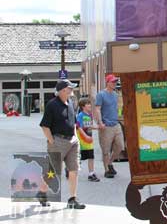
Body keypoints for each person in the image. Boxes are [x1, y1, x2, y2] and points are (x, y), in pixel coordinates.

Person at [38, 80, 86, 209]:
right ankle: (42, 192)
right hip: (58, 141)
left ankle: (72, 199)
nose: (72, 91)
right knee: (53, 173)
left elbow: (74, 123)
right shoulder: (52, 105)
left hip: (72, 141)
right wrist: (52, 142)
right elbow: (45, 126)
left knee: (74, 169)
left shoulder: (70, 103)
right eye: (70, 88)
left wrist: (76, 137)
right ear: (63, 90)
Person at [95, 74, 125, 179]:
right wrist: (100, 122)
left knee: (120, 146)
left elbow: (118, 108)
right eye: (113, 82)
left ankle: (110, 163)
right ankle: (107, 170)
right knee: (106, 150)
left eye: (115, 82)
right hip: (106, 126)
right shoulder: (101, 94)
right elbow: (98, 109)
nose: (114, 83)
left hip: (116, 124)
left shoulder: (116, 95)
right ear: (107, 82)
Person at [76, 98, 99, 182]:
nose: (90, 105)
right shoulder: (80, 115)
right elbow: (78, 127)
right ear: (83, 106)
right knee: (79, 157)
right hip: (82, 140)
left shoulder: (90, 115)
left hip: (89, 140)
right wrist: (85, 136)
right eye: (87, 104)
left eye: (89, 103)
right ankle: (69, 169)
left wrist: (97, 128)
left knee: (91, 156)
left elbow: (89, 126)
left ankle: (91, 174)